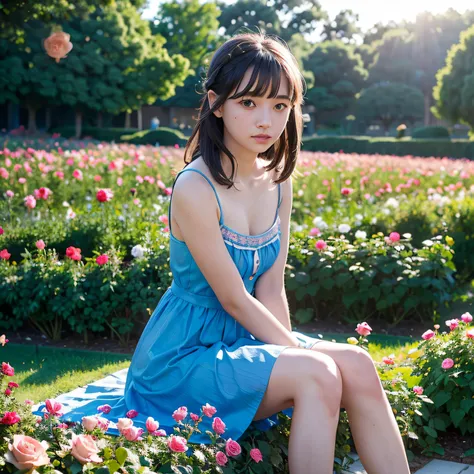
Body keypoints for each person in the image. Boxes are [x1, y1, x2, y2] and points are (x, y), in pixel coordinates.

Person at [33, 32, 410, 474]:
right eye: (248, 103)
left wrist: (289, 357)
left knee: (359, 365)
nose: (265, 120)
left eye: (280, 105)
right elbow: (233, 298)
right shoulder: (195, 187)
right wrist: (301, 360)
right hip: (183, 356)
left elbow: (271, 286)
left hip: (244, 342)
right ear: (216, 103)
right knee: (319, 373)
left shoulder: (278, 180)